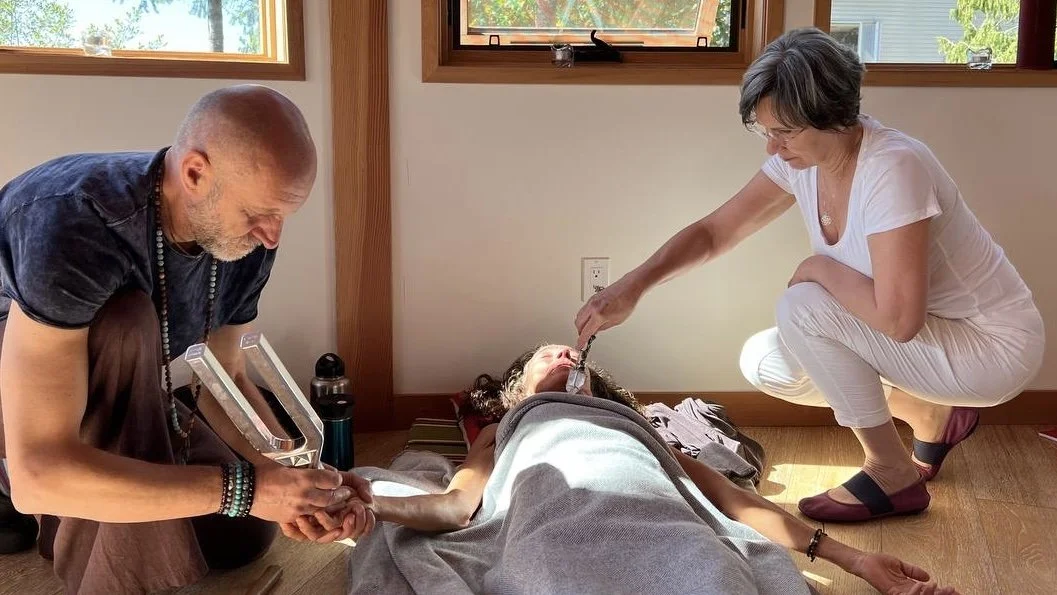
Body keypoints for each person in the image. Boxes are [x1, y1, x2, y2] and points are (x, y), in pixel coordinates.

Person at [574, 27, 1046, 524]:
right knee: (766, 361)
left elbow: (899, 320)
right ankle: (930, 414)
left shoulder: (893, 167)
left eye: (785, 132)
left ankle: (892, 472)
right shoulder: (804, 162)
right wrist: (633, 286)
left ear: (835, 115)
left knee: (803, 306)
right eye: (766, 132)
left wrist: (817, 267)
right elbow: (715, 232)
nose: (772, 149)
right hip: (932, 341)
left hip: (991, 348)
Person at [0, 85, 373, 593]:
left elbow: (226, 376)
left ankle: (87, 508)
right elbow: (38, 473)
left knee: (240, 536)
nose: (272, 236)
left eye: (283, 215)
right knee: (128, 321)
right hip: (27, 406)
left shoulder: (247, 239)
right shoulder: (77, 225)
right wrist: (245, 488)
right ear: (195, 174)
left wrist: (303, 480)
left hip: (121, 387)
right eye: (257, 215)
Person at [318, 344, 960, 595]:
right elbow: (455, 507)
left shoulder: (637, 428)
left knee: (713, 574)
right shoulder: (506, 429)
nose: (564, 354)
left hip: (668, 535)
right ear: (518, 388)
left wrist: (856, 562)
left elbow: (734, 503)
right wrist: (371, 503)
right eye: (545, 354)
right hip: (553, 535)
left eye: (570, 353)